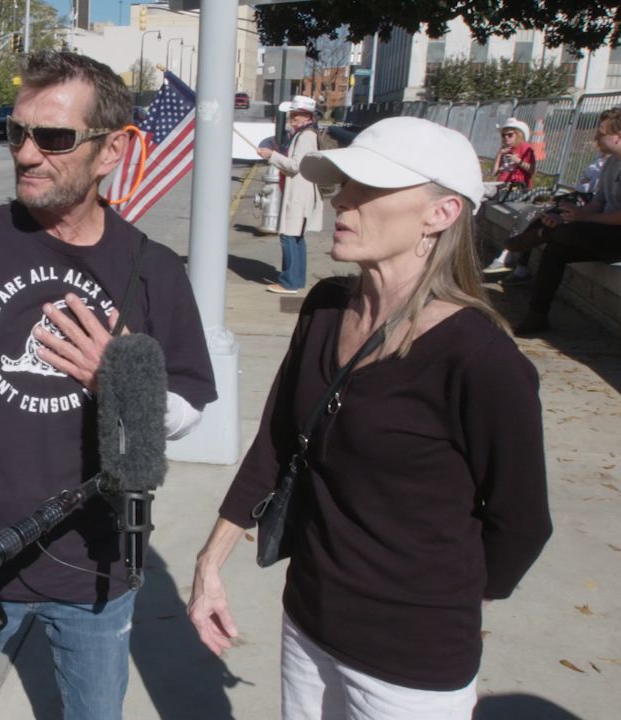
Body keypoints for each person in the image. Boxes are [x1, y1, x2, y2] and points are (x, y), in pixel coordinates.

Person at [0, 50, 218, 719]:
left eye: (53, 137)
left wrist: (118, 381)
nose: (27, 154)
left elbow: (189, 408)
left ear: (111, 150)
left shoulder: (152, 272)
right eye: (17, 132)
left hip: (92, 564)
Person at [188, 117, 551, 719]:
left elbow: (521, 523)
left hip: (409, 663)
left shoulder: (481, 359)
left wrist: (434, 608)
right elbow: (277, 445)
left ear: (442, 214)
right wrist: (210, 561)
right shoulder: (327, 309)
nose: (343, 202)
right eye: (342, 185)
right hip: (307, 622)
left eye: (369, 189)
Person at [500, 107, 621, 335]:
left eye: (601, 133)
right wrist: (572, 213)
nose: (595, 138)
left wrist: (586, 217)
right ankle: (537, 316)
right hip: (604, 230)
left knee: (563, 234)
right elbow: (597, 204)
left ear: (619, 135)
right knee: (556, 247)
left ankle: (539, 235)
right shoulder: (611, 163)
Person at [258, 95, 324, 295]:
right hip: (301, 190)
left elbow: (296, 165)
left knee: (289, 235)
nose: (291, 118)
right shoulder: (305, 134)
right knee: (296, 237)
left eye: (295, 115)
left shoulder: (305, 136)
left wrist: (272, 156)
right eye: (292, 114)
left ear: (306, 116)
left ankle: (289, 282)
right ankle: (296, 279)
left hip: (299, 192)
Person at [483, 118, 539, 277]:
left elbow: (532, 170)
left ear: (519, 135)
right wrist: (498, 156)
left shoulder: (525, 148)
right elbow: (494, 173)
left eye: (510, 135)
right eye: (504, 136)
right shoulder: (504, 149)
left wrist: (517, 160)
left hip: (516, 187)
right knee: (476, 195)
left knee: (481, 195)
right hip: (501, 184)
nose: (506, 138)